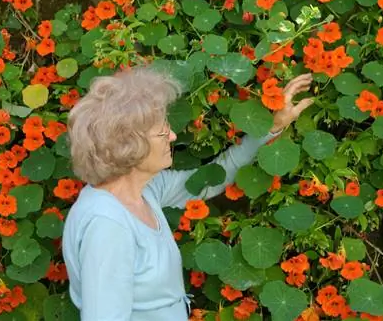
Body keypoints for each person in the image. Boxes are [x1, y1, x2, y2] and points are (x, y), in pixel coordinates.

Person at [62, 67, 314, 321]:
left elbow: (214, 177)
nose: (172, 135)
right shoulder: (108, 226)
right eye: (162, 131)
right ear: (127, 146)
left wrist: (274, 124)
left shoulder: (146, 190)